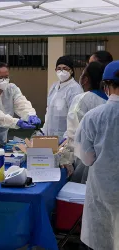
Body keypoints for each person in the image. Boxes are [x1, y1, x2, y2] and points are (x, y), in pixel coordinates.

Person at [74, 60, 119, 250]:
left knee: (103, 240)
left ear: (106, 86)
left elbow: (86, 158)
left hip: (103, 192)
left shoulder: (93, 117)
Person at [59, 62, 108, 180]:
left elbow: (73, 134)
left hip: (83, 160)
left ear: (85, 79)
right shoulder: (109, 102)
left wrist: (64, 157)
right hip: (106, 160)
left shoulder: (81, 99)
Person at [42, 56, 83, 143]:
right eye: (59, 68)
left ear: (71, 71)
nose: (61, 71)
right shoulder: (54, 87)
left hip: (66, 138)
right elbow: (48, 111)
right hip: (50, 136)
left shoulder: (75, 89)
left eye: (65, 68)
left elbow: (75, 116)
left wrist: (66, 138)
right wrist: (43, 131)